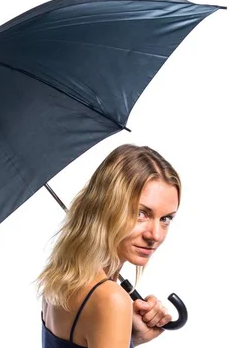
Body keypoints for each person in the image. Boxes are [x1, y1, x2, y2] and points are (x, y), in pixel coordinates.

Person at [36, 144, 181, 347]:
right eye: (141, 214)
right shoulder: (110, 300)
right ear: (107, 207)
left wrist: (131, 337)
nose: (155, 235)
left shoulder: (62, 277)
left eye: (165, 218)